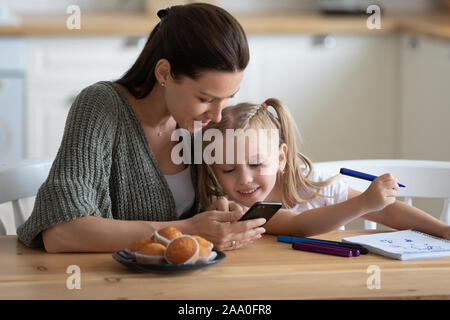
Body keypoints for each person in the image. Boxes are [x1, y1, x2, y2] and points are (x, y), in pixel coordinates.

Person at [16, 3, 266, 253]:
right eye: (206, 99)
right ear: (165, 73)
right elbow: (61, 232)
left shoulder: (197, 125)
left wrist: (216, 214)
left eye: (227, 98)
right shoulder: (100, 106)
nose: (217, 114)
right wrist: (188, 229)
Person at [197, 98, 450, 240]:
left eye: (256, 164)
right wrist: (364, 203)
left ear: (281, 158)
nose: (244, 180)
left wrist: (442, 230)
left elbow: (386, 213)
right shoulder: (235, 208)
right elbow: (299, 225)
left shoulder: (313, 184)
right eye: (228, 169)